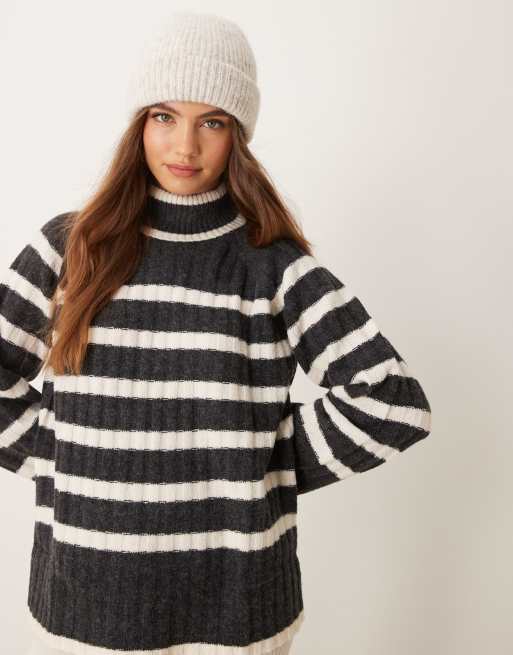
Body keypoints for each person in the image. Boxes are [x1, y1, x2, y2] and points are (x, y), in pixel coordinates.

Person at [0, 11, 432, 655]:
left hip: (236, 612)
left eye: (212, 122)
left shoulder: (271, 265)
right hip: (89, 601)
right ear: (138, 124)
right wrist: (61, 454)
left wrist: (263, 462)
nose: (185, 146)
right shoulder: (71, 246)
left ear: (238, 136)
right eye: (164, 116)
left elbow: (390, 401)